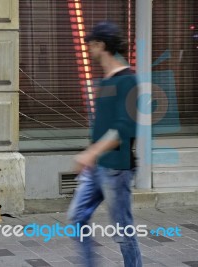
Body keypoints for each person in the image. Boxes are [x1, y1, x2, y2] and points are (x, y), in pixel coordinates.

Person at [67, 21, 142, 267]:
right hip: (97, 167)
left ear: (100, 45)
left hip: (117, 168)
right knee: (77, 218)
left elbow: (124, 128)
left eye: (90, 43)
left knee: (123, 232)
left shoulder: (128, 81)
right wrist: (93, 157)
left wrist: (90, 153)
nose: (87, 47)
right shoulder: (106, 80)